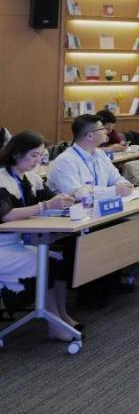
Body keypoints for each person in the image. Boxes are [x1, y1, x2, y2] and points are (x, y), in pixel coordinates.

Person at [0, 131, 80, 341]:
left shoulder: (32, 177)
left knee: (59, 259)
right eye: (33, 155)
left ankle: (62, 315)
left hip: (17, 241)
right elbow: (7, 215)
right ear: (17, 154)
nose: (38, 161)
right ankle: (54, 323)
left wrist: (64, 199)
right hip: (2, 246)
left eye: (41, 156)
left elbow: (49, 197)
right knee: (47, 263)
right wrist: (45, 205)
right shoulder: (1, 179)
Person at [47, 114, 134, 201]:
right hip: (74, 208)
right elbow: (76, 194)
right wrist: (114, 191)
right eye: (102, 128)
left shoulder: (101, 154)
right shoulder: (65, 161)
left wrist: (124, 184)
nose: (106, 131)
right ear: (90, 136)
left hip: (98, 204)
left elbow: (116, 178)